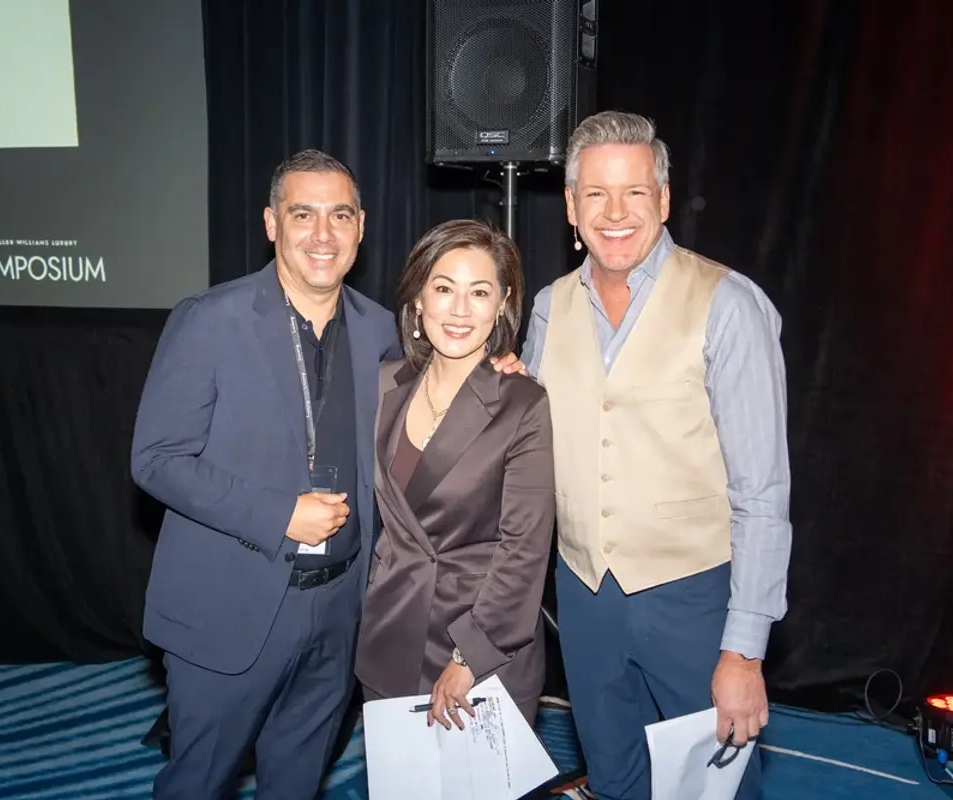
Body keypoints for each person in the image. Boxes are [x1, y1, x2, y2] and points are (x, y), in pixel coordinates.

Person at [131, 151, 523, 799]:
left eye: (339, 215)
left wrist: (497, 374)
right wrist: (278, 513)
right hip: (229, 609)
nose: (322, 233)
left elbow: (440, 407)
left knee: (298, 780)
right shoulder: (209, 321)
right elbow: (157, 459)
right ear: (271, 223)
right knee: (196, 783)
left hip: (343, 611)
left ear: (361, 226)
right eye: (302, 214)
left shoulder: (383, 332)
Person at [521, 111, 792, 800]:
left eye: (635, 193)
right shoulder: (548, 308)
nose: (616, 213)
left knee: (716, 793)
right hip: (583, 598)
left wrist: (743, 649)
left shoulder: (728, 305)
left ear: (663, 202)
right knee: (614, 780)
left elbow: (763, 494)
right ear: (572, 209)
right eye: (597, 195)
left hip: (695, 602)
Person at [355, 219, 555, 729]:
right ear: (419, 298)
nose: (460, 310)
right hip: (390, 633)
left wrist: (470, 658)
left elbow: (524, 550)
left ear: (502, 303)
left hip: (482, 645)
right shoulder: (382, 386)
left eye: (479, 292)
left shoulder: (523, 403)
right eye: (444, 288)